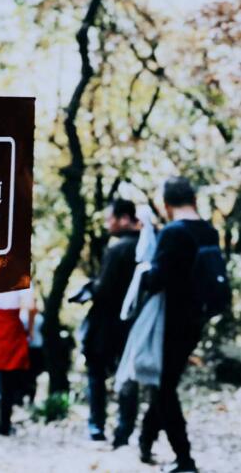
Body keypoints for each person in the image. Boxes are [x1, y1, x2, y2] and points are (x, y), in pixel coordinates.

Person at [138, 177, 222, 473]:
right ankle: (145, 441)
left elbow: (157, 279)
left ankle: (184, 458)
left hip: (170, 321)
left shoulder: (173, 233)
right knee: (165, 382)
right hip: (196, 319)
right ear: (194, 199)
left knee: (164, 387)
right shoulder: (209, 231)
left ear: (166, 204)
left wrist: (144, 273)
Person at [79, 199, 140, 441]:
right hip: (134, 322)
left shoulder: (118, 249)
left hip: (106, 322)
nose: (107, 224)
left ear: (124, 218)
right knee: (128, 375)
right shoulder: (148, 246)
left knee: (96, 373)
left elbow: (104, 288)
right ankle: (125, 429)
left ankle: (97, 426)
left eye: (110, 219)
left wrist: (90, 289)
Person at [0, 289, 30, 435]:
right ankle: (4, 426)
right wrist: (30, 329)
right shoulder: (20, 278)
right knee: (7, 386)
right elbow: (31, 306)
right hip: (9, 332)